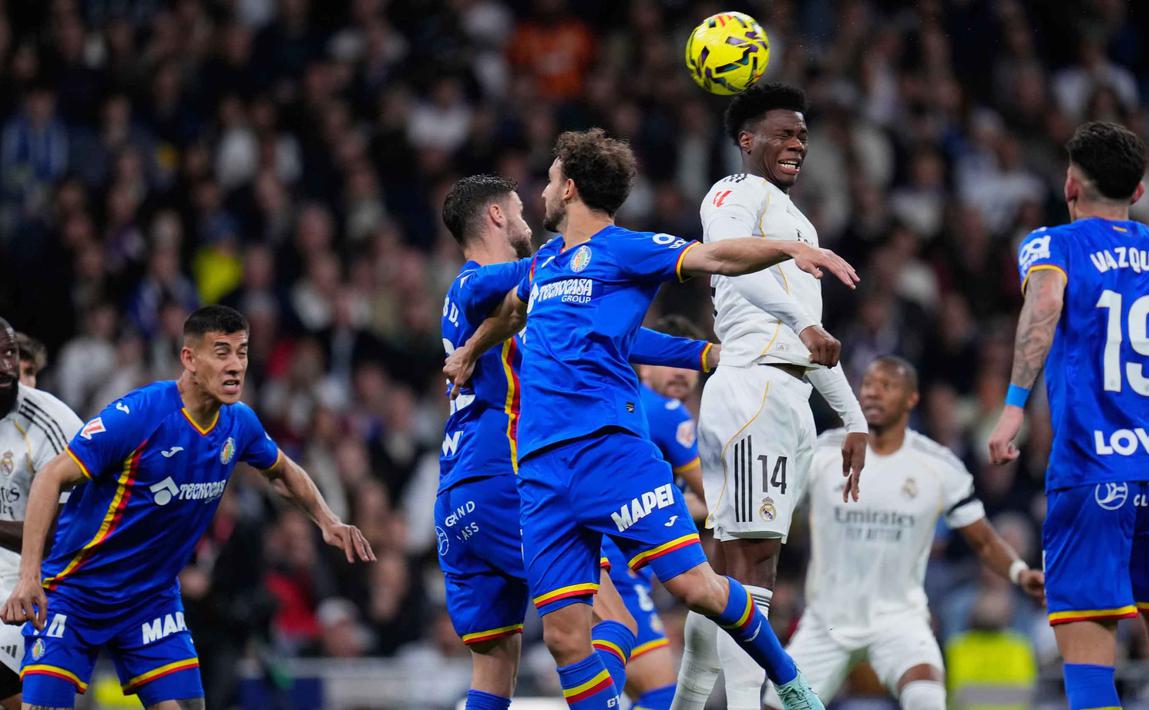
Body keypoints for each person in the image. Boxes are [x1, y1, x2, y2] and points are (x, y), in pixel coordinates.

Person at [445, 128, 860, 710]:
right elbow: (513, 313)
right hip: (538, 472)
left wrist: (788, 249)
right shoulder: (540, 265)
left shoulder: (626, 249)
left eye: (547, 179)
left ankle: (790, 682)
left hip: (610, 452)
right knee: (566, 640)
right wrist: (471, 350)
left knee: (695, 588)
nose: (539, 190)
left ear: (568, 189)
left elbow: (715, 255)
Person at [0, 305, 375, 710]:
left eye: (242, 352)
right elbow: (49, 477)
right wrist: (29, 577)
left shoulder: (239, 423)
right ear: (189, 359)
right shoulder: (140, 415)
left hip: (150, 597)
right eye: (221, 352)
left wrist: (327, 520)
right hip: (77, 590)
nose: (235, 366)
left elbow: (282, 470)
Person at [435, 174, 715, 710]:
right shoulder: (495, 281)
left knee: (494, 668)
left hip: (456, 494)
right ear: (496, 216)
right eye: (518, 209)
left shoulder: (473, 296)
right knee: (614, 619)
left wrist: (700, 354)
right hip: (506, 478)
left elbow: (614, 333)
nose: (528, 218)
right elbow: (563, 268)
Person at [987, 121, 1149, 710]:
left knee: (1089, 670)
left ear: (1071, 185)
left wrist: (1013, 408)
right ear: (1139, 193)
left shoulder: (1052, 244)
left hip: (1091, 474)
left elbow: (1044, 305)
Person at [676, 81, 870, 710]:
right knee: (751, 565)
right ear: (747, 140)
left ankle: (686, 704)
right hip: (756, 386)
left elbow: (815, 348)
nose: (797, 144)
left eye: (803, 135)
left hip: (781, 391)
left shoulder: (797, 220)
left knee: (729, 572)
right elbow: (725, 263)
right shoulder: (734, 193)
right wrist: (802, 321)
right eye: (784, 133)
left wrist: (854, 420)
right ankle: (744, 704)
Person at [764, 356, 1042, 710]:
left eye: (887, 386)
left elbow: (983, 539)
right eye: (867, 386)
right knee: (774, 706)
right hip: (827, 622)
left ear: (912, 398)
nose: (873, 394)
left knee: (927, 695)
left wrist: (1019, 572)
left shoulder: (938, 466)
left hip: (899, 621)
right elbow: (775, 513)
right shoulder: (821, 455)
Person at [599, 314, 712, 710]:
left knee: (620, 686)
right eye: (670, 359)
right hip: (618, 567)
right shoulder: (667, 412)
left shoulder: (623, 400)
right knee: (662, 695)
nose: (681, 373)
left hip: (596, 554)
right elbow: (716, 498)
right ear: (644, 364)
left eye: (689, 364)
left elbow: (683, 503)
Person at [0, 319, 83, 710]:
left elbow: (70, 530)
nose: (10, 368)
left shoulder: (54, 423)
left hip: (39, 584)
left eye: (12, 357)